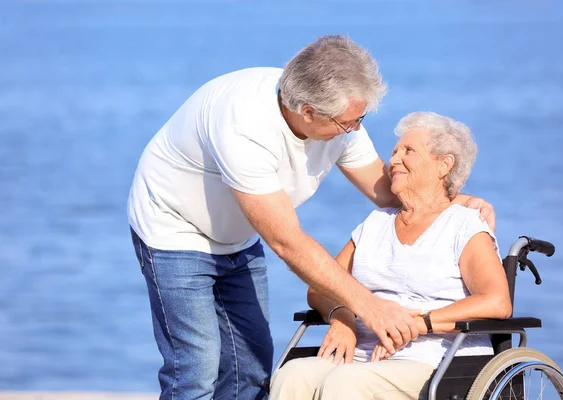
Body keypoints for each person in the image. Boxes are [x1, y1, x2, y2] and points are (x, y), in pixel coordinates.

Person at [127, 35, 495, 400]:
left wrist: (457, 201)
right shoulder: (243, 127)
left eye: (360, 118)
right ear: (308, 113)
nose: (355, 129)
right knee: (196, 367)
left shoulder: (338, 116)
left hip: (237, 235)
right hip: (174, 228)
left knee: (251, 367)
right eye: (349, 122)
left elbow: (387, 191)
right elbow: (286, 242)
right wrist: (360, 310)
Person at [269, 111, 512, 400]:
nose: (393, 160)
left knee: (346, 383)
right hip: (362, 354)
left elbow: (497, 302)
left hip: (436, 360)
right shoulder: (376, 223)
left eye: (408, 151)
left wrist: (421, 323)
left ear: (444, 165)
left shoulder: (465, 225)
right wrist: (342, 318)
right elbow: (320, 288)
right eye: (394, 152)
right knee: (292, 376)